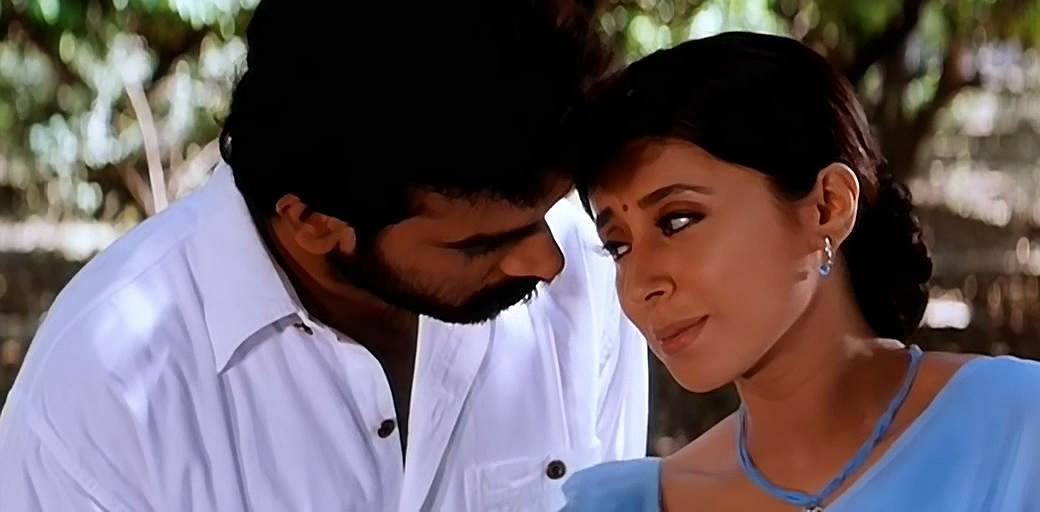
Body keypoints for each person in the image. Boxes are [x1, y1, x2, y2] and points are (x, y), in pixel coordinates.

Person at [0, 1, 649, 510]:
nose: (548, 263)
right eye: (482, 244)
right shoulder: (100, 392)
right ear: (311, 222)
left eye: (547, 214)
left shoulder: (590, 270)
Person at [560, 32, 1040, 511]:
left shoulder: (1020, 434)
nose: (639, 285)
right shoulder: (626, 505)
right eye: (618, 246)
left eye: (678, 221)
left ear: (827, 207)